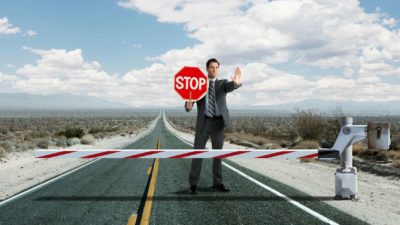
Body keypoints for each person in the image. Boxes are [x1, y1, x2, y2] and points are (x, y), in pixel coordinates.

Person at [184, 58, 242, 194]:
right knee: (197, 153)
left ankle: (218, 183)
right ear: (207, 68)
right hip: (203, 122)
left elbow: (231, 86)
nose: (214, 69)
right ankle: (193, 184)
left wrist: (237, 83)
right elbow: (189, 104)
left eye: (216, 67)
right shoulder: (198, 84)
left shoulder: (222, 84)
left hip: (218, 123)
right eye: (211, 67)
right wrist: (188, 105)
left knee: (218, 154)